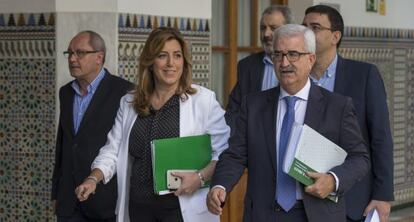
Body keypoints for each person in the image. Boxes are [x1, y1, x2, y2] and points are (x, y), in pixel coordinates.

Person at [207, 24, 370, 222]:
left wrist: (333, 180)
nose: (284, 63)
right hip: (263, 214)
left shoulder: (337, 106)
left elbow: (360, 158)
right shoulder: (253, 105)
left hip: (316, 214)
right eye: (278, 55)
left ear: (311, 59)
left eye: (293, 54)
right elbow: (235, 154)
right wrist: (220, 186)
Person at [74, 27, 230, 222]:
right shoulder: (129, 102)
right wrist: (93, 179)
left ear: (184, 61)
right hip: (139, 209)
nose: (171, 63)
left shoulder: (203, 100)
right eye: (162, 55)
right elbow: (112, 150)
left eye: (177, 55)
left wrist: (199, 178)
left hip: (182, 210)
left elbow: (225, 152)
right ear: (150, 61)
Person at [302, 5, 394, 222]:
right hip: (305, 194)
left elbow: (380, 136)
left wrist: (382, 195)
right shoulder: (296, 79)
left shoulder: (364, 75)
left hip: (353, 198)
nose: (306, 33)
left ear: (335, 36)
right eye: (303, 27)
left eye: (314, 27)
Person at [51, 30, 133, 221]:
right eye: (69, 53)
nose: (72, 59)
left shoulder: (125, 92)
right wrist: (56, 192)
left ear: (99, 57)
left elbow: (125, 148)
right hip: (69, 202)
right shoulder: (66, 93)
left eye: (80, 53)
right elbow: (62, 144)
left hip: (105, 201)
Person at [225, 5, 293, 130]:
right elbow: (233, 110)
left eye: (273, 28)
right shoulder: (247, 66)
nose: (266, 34)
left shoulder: (299, 64)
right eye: (263, 28)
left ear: (288, 31)